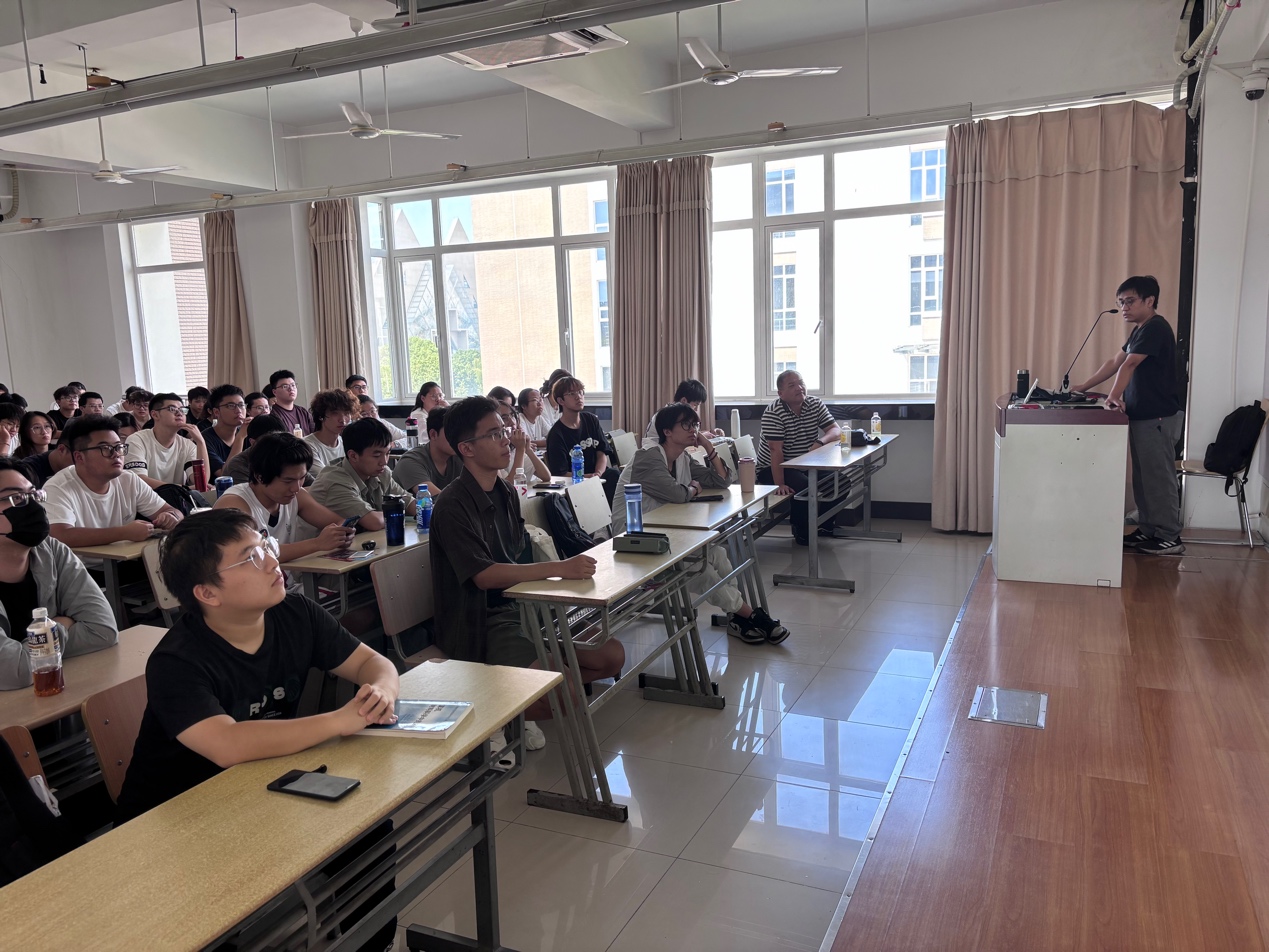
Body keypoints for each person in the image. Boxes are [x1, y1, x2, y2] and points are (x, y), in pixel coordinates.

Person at [113, 509, 399, 825]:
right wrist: (340, 720)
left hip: (257, 783)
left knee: (371, 827)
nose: (272, 562)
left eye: (266, 546)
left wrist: (381, 693)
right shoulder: (175, 662)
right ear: (208, 593)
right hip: (173, 814)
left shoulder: (297, 613)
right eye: (251, 558)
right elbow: (227, 744)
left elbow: (371, 662)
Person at [430, 397, 623, 724]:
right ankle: (493, 716)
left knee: (611, 656)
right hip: (481, 619)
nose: (506, 439)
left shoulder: (505, 492)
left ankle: (520, 694)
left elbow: (519, 553)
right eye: (494, 434)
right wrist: (559, 568)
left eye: (504, 430)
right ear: (467, 449)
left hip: (523, 603)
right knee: (567, 694)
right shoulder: (452, 505)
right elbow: (483, 576)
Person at [613, 405, 790, 645]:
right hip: (635, 538)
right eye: (686, 425)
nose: (693, 430)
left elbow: (722, 481)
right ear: (666, 431)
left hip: (666, 532)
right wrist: (692, 489)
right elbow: (678, 494)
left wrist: (708, 447)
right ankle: (753, 616)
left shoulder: (681, 457)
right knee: (702, 570)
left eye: (695, 425)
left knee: (718, 555)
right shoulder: (648, 457)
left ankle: (736, 618)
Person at [1070, 275, 1184, 555]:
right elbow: (1115, 361)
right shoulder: (1140, 330)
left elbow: (1130, 364)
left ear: (1150, 300)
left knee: (1158, 477)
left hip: (1158, 417)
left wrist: (1113, 396)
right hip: (1143, 416)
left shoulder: (1156, 327)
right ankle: (1149, 530)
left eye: (1130, 301)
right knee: (1143, 478)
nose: (1124, 307)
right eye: (1120, 302)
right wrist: (1083, 387)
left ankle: (1169, 536)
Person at [0, 459, 118, 690]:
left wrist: (35, 646)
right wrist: (61, 624)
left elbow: (103, 630)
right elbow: (15, 671)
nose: (33, 506)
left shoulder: (52, 551)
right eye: (16, 498)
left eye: (33, 495)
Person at [214, 434, 355, 590]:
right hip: (250, 594)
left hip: (285, 587)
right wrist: (318, 543)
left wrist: (343, 534)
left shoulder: (297, 496)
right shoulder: (235, 505)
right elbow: (255, 556)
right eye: (288, 481)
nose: (296, 487)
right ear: (260, 477)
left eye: (302, 478)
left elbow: (337, 522)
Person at [45, 416, 183, 547]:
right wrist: (124, 533)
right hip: (80, 563)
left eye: (118, 447)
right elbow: (60, 535)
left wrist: (171, 517)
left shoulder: (128, 479)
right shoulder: (57, 487)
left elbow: (172, 511)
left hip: (124, 559)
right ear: (79, 457)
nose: (116, 454)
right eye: (105, 448)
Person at [756, 370, 843, 546]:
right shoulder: (774, 413)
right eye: (792, 385)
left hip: (806, 463)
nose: (799, 388)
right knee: (804, 485)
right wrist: (779, 484)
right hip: (773, 468)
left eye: (801, 383)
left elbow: (835, 430)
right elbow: (775, 451)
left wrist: (820, 442)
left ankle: (823, 525)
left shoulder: (814, 403)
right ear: (781, 393)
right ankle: (801, 529)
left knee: (841, 483)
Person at [307, 418, 412, 531]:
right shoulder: (334, 480)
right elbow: (374, 522)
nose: (384, 462)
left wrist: (406, 508)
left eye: (387, 453)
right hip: (322, 542)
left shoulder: (381, 473)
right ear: (353, 456)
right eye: (377, 456)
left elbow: (411, 503)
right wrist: (398, 510)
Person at [545, 376, 618, 502]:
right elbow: (560, 473)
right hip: (576, 482)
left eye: (580, 392)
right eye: (572, 394)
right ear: (561, 401)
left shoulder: (591, 420)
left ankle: (615, 514)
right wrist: (587, 477)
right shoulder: (556, 435)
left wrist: (598, 474)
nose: (578, 397)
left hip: (597, 476)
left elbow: (602, 452)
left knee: (613, 474)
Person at [122, 393, 212, 490]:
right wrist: (185, 489)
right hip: (146, 498)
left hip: (177, 497)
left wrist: (200, 442)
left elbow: (201, 482)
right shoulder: (136, 440)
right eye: (172, 409)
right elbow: (139, 479)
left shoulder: (187, 445)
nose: (179, 413)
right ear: (155, 415)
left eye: (182, 410)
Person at [395, 408, 463, 494]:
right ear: (433, 434)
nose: (459, 438)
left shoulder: (460, 457)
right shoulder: (410, 461)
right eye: (452, 433)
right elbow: (433, 498)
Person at [642, 378, 725, 448]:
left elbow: (684, 434)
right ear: (684, 401)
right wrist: (702, 437)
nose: (696, 410)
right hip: (656, 454)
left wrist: (710, 432)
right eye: (695, 405)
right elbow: (679, 438)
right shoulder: (669, 415)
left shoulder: (675, 413)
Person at [221, 414, 289, 486]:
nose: (277, 447)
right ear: (253, 442)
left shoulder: (287, 456)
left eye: (281, 441)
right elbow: (249, 493)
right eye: (269, 443)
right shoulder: (238, 466)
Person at [303, 389, 357, 476]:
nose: (342, 420)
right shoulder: (307, 445)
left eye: (346, 413)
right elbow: (326, 477)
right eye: (335, 413)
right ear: (321, 416)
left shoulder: (346, 443)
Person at [496, 400, 550, 484]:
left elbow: (546, 476)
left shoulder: (513, 449)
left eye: (512, 415)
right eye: (504, 418)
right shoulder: (495, 452)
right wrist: (520, 449)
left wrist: (528, 450)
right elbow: (509, 486)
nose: (512, 422)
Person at [201, 384, 249, 478]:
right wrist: (240, 437)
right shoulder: (204, 439)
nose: (238, 410)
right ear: (216, 412)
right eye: (231, 406)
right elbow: (226, 475)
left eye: (241, 405)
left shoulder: (248, 433)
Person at [268, 370, 314, 435]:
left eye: (293, 385)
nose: (291, 389)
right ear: (274, 392)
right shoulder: (273, 415)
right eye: (285, 386)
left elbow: (314, 435)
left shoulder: (303, 412)